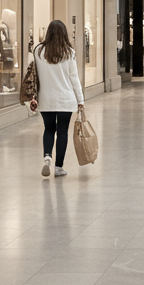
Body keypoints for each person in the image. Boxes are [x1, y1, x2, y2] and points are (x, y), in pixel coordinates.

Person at [29, 20, 84, 178]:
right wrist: (80, 101)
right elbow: (74, 78)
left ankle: (47, 157)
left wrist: (33, 97)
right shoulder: (69, 52)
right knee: (62, 132)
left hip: (46, 99)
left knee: (48, 129)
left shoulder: (38, 51)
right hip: (65, 100)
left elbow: (34, 76)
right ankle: (59, 167)